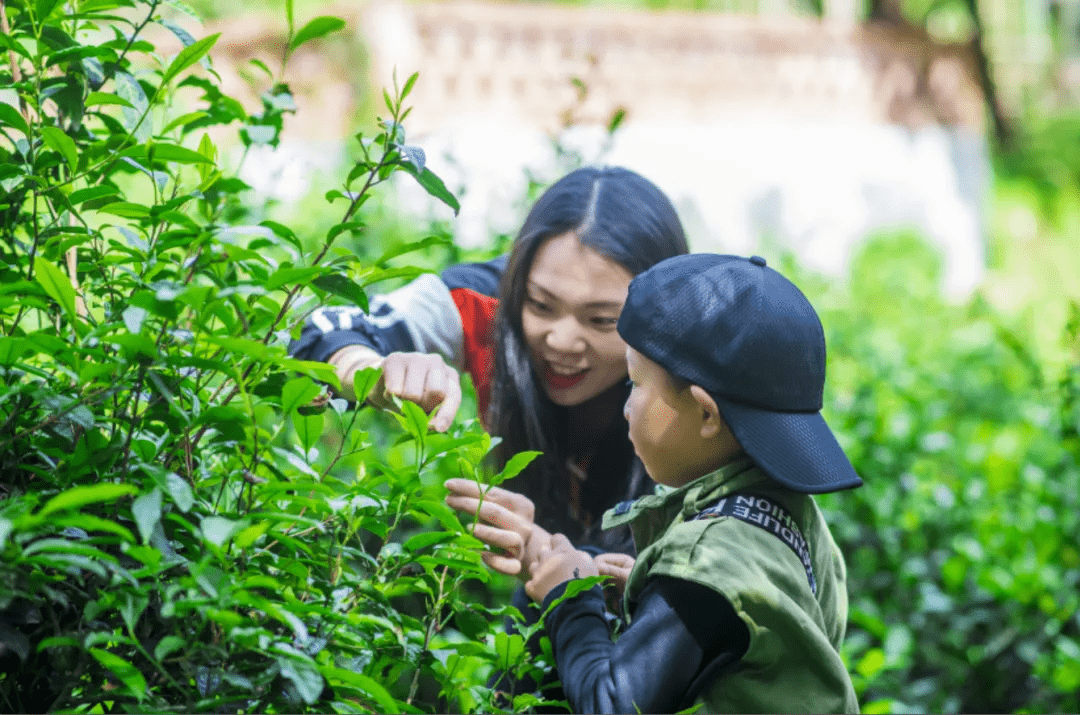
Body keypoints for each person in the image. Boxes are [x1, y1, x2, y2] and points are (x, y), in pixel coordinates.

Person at [520, 253, 864, 714]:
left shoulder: (703, 564)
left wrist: (571, 602)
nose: (626, 407)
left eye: (635, 386)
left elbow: (613, 707)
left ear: (705, 414)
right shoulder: (791, 511)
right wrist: (652, 598)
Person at [289, 166, 689, 560]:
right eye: (540, 304)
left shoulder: (701, 361)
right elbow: (318, 328)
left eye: (602, 319)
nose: (561, 341)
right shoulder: (484, 305)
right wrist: (371, 373)